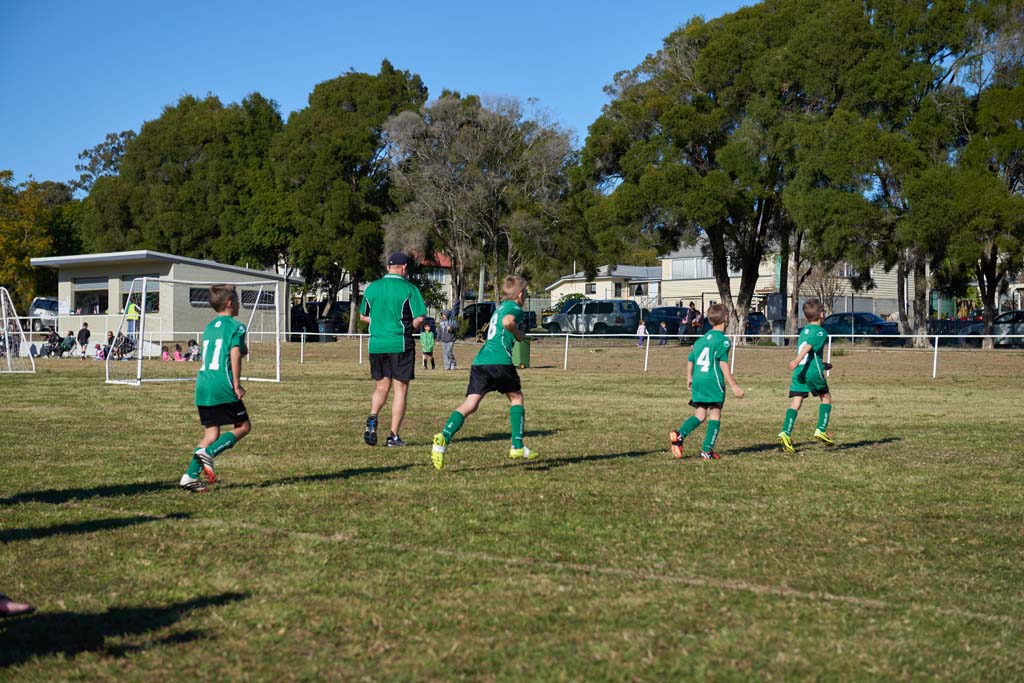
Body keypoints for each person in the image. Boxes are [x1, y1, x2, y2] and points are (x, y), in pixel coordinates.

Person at [431, 276, 537, 469]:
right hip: (499, 361)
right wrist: (518, 333)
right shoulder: (514, 309)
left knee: (470, 404)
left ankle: (444, 436)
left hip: (480, 362)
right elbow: (507, 323)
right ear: (520, 295)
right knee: (516, 398)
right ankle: (517, 445)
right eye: (526, 294)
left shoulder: (500, 307)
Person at [179, 284, 252, 493]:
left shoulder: (209, 327)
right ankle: (208, 453)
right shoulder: (237, 326)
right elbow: (234, 355)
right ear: (230, 303)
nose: (238, 304)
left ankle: (189, 476)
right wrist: (236, 385)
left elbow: (218, 350)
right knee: (244, 426)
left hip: (203, 383)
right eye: (237, 300)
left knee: (211, 432)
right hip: (222, 383)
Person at [359, 252, 427, 447]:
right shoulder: (409, 288)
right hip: (400, 344)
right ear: (404, 268)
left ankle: (373, 416)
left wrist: (381, 323)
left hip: (377, 344)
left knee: (381, 386)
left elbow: (363, 316)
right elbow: (420, 318)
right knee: (400, 389)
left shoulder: (372, 288)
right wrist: (407, 328)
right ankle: (393, 436)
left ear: (388, 267)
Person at [670, 303, 744, 460]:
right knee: (715, 414)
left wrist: (689, 377)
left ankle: (679, 434)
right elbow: (723, 365)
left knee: (700, 414)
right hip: (712, 382)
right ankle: (706, 450)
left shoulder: (701, 340)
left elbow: (691, 359)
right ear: (726, 318)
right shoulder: (723, 341)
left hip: (698, 380)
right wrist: (734, 386)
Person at [778, 298, 835, 453]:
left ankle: (785, 432)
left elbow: (808, 352)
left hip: (800, 371)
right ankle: (821, 429)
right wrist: (796, 360)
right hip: (811, 371)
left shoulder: (803, 331)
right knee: (826, 397)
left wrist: (819, 363)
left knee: (796, 402)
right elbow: (809, 347)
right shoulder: (821, 332)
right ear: (822, 315)